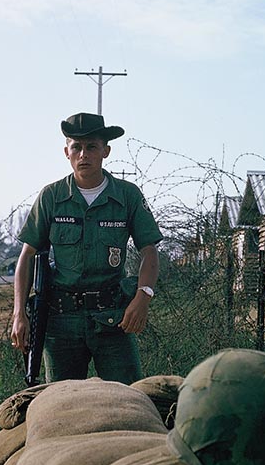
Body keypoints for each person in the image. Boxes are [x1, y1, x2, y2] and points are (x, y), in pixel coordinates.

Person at [10, 112, 163, 384]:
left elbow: (148, 250)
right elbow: (28, 255)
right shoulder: (52, 197)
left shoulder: (127, 196)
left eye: (91, 146)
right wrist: (19, 313)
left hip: (114, 319)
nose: (84, 154)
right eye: (76, 147)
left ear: (106, 151)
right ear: (66, 152)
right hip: (61, 321)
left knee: (127, 400)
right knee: (60, 407)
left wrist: (143, 297)